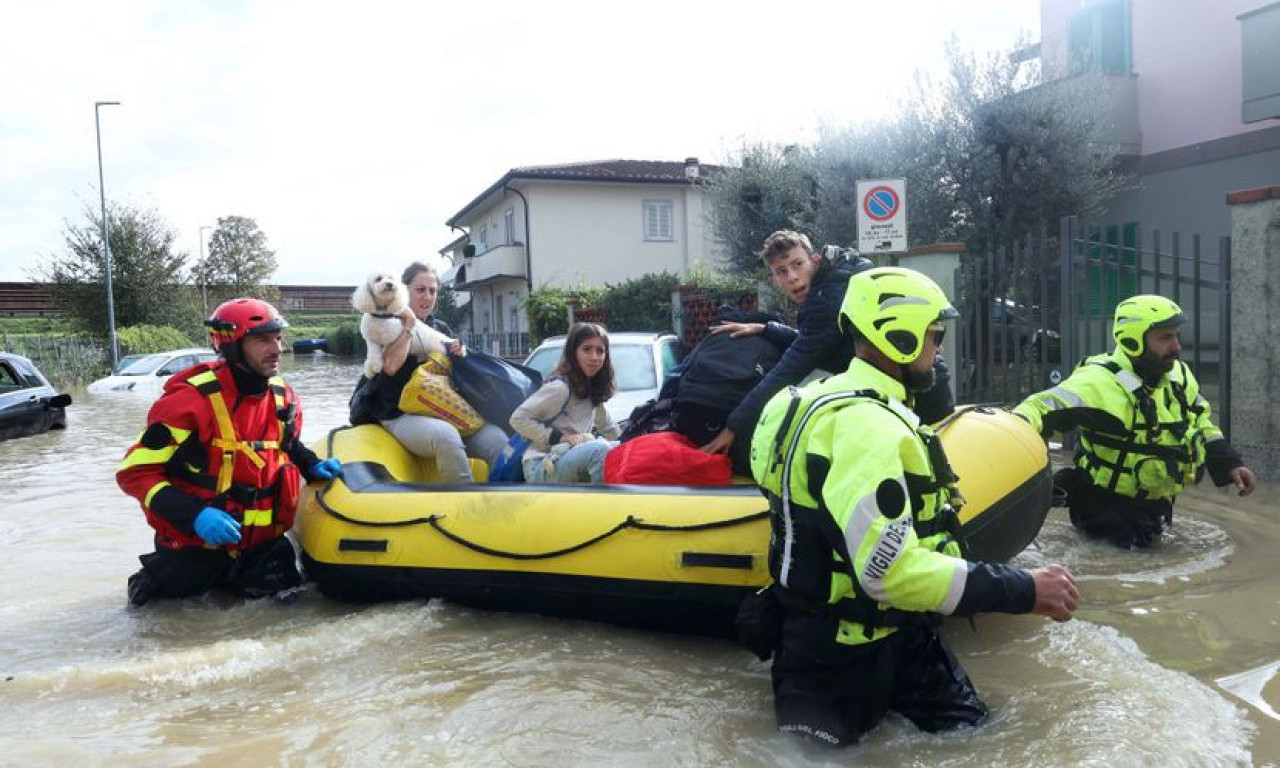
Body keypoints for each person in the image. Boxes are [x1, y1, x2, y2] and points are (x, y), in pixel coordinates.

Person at [750, 266, 1078, 748]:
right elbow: (887, 571)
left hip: (900, 636)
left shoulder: (800, 402)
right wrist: (1022, 589)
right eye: (934, 335)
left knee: (988, 741)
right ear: (897, 337)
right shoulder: (871, 429)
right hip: (837, 661)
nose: (939, 349)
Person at [118, 298, 343, 606]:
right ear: (232, 345)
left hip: (262, 551)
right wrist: (195, 515)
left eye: (278, 337)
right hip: (195, 548)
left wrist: (311, 464)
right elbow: (134, 473)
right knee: (156, 612)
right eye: (263, 339)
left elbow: (287, 445)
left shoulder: (284, 397)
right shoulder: (189, 403)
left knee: (293, 606)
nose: (277, 348)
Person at [1013, 294, 1257, 549]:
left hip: (1155, 506)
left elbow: (1200, 421)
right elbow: (1038, 407)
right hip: (1104, 512)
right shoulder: (1097, 382)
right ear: (1133, 340)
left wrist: (1230, 464)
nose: (1176, 347)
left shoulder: (1178, 375)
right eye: (1165, 338)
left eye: (1176, 335)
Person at [700, 230, 954, 469]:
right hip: (923, 388)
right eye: (781, 271)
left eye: (797, 264)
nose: (792, 277)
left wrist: (733, 427)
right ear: (774, 279)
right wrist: (767, 329)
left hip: (919, 400)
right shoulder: (838, 280)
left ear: (815, 260)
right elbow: (816, 344)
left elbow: (788, 370)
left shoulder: (826, 300)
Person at [359, 262, 509, 482]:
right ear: (403, 290)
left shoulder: (440, 328)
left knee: (497, 439)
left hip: (442, 408)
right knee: (446, 436)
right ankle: (465, 503)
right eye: (420, 290)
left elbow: (456, 375)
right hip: (399, 414)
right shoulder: (382, 324)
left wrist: (460, 354)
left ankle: (506, 499)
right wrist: (408, 327)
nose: (427, 297)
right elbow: (389, 366)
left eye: (432, 291)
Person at [510, 322, 620, 483]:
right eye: (587, 349)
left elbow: (609, 429)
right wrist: (560, 437)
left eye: (600, 351)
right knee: (600, 450)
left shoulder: (592, 388)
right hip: (541, 464)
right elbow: (518, 418)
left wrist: (634, 443)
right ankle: (602, 505)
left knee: (623, 449)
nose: (595, 357)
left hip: (566, 459)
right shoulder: (560, 388)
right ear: (573, 353)